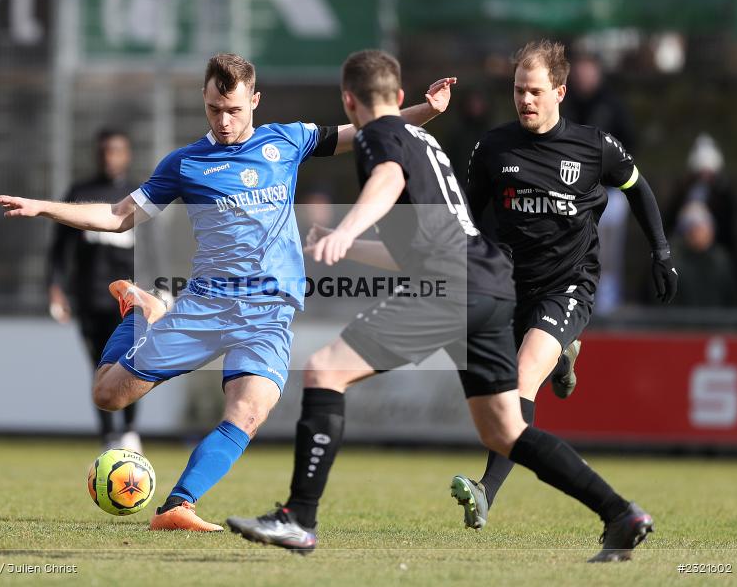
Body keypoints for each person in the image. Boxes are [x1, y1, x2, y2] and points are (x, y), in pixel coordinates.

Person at [0, 53, 453, 531]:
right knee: (108, 395)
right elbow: (117, 215)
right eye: (214, 109)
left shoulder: (287, 140)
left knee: (249, 410)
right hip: (205, 307)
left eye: (234, 109)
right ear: (204, 101)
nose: (224, 120)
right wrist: (43, 207)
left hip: (269, 313)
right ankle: (139, 311)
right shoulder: (185, 163)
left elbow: (370, 129)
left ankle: (177, 507)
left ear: (255, 100)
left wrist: (427, 111)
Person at [226, 49, 655, 563]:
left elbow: (387, 179)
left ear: (348, 101)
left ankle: (299, 518)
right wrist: (350, 245)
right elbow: (418, 247)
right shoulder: (422, 139)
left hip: (450, 288)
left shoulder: (378, 137)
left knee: (324, 371)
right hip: (490, 285)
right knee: (504, 430)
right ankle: (620, 513)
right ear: (398, 96)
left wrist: (348, 228)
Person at [451, 40, 677, 531]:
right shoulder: (492, 148)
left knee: (521, 379)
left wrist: (660, 252)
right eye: (518, 90)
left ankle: (485, 491)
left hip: (569, 284)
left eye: (535, 91)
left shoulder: (594, 146)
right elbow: (468, 215)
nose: (525, 100)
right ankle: (565, 354)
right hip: (512, 287)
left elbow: (638, 188)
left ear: (560, 91)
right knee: (500, 396)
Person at [47, 128, 146, 452]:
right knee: (100, 366)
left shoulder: (139, 195)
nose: (109, 157)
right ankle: (108, 437)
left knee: (132, 361)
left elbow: (153, 248)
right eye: (104, 151)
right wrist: (56, 287)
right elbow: (59, 248)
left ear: (127, 155)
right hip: (90, 297)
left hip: (130, 299)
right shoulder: (81, 193)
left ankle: (130, 431)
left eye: (116, 151)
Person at [562, 52, 638, 315]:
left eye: (588, 71)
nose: (584, 77)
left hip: (609, 191)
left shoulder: (612, 106)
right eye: (580, 72)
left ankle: (607, 305)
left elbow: (630, 144)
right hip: (571, 192)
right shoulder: (565, 105)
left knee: (609, 251)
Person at [669, 202, 737, 307]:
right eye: (696, 228)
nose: (702, 232)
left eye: (706, 227)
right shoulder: (674, 263)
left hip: (718, 316)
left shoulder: (722, 260)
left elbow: (733, 298)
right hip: (684, 317)